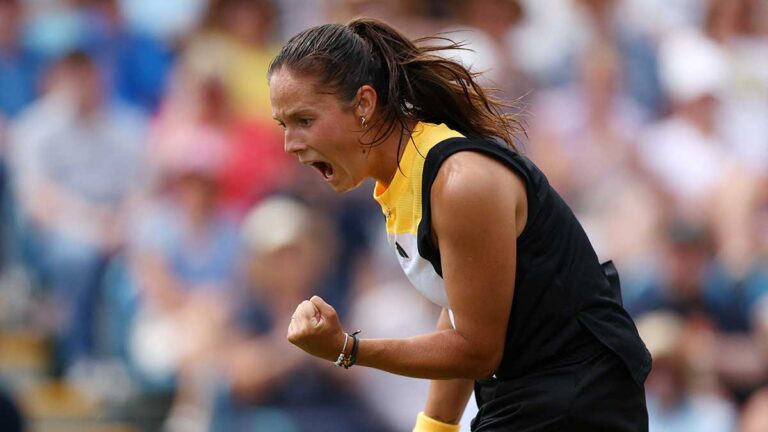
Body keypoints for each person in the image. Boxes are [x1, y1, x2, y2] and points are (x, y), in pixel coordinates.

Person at [269, 17, 651, 431]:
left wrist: (346, 349)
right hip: (529, 397)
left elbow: (476, 350)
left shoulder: (458, 183)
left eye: (304, 120)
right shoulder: (404, 177)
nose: (291, 144)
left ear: (363, 104)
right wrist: (435, 426)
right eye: (283, 125)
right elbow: (459, 313)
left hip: (577, 404)